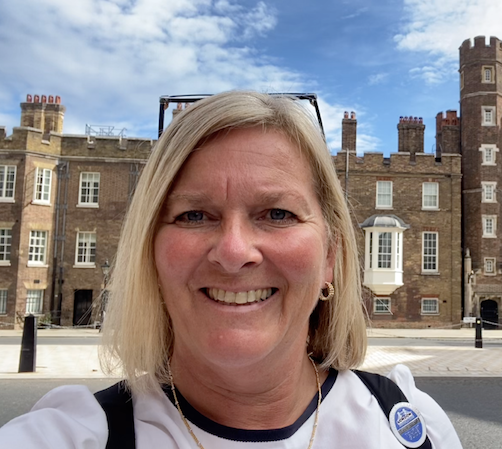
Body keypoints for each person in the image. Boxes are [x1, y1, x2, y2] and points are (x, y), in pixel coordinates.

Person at [0, 91, 462, 448]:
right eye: (193, 216)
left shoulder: (409, 426)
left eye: (278, 213)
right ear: (150, 254)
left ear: (331, 258)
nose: (235, 251)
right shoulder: (71, 436)